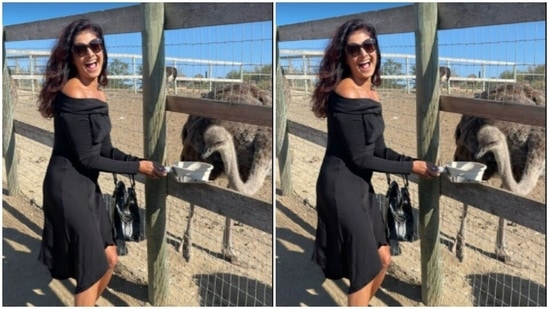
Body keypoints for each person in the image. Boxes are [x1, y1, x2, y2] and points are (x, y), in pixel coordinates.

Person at [310, 19, 440, 306]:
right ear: (345, 56)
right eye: (353, 49)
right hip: (340, 187)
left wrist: (415, 161)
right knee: (364, 268)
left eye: (368, 46)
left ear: (376, 50)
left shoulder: (371, 93)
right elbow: (361, 157)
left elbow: (378, 148)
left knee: (382, 258)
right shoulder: (346, 91)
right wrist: (412, 169)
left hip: (359, 186)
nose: (363, 55)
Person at [37, 19, 167, 306]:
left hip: (86, 185)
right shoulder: (72, 92)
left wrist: (141, 161)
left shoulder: (98, 93)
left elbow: (105, 148)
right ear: (71, 56)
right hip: (67, 187)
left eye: (94, 46)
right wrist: (139, 169)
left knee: (109, 258)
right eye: (80, 49)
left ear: (103, 50)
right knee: (90, 269)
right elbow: (88, 157)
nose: (89, 55)